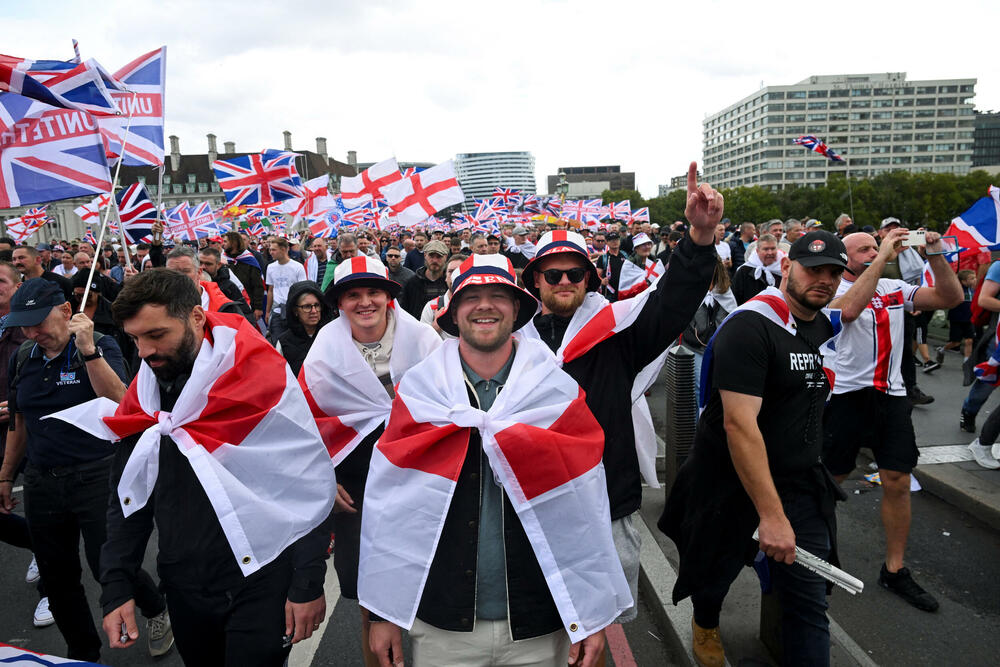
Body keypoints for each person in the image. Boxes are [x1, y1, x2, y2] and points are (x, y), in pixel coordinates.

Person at [45, 268, 336, 666]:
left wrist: (307, 582)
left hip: (262, 577)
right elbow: (128, 497)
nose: (145, 352)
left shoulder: (259, 379)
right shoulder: (145, 395)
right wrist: (117, 587)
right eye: (135, 339)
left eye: (157, 334)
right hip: (184, 580)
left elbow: (306, 484)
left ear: (196, 317)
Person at [362, 254, 631, 667]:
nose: (485, 305)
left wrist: (591, 615)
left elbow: (585, 511)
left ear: (517, 307)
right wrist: (381, 613)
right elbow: (389, 510)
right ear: (453, 310)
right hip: (443, 623)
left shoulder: (554, 394)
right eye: (472, 296)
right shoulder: (419, 394)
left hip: (540, 621)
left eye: (498, 295)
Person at [517, 164, 722, 660]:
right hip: (532, 499)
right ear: (534, 281)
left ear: (590, 278)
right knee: (539, 625)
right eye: (553, 273)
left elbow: (671, 304)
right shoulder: (510, 341)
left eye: (575, 272)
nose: (564, 280)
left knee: (598, 625)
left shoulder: (617, 332)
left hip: (605, 498)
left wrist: (698, 235)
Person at [661, 230, 849, 667]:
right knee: (714, 571)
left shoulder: (821, 323)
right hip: (729, 480)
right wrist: (771, 514)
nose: (823, 280)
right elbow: (739, 425)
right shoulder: (749, 327)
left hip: (800, 482)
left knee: (809, 602)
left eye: (834, 273)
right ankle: (705, 621)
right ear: (786, 267)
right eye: (812, 269)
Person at [0, 279, 171, 662]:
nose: (31, 333)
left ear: (65, 312)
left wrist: (89, 351)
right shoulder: (24, 356)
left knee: (106, 563)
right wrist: (6, 475)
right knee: (57, 576)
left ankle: (155, 607)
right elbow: (20, 422)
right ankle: (82, 653)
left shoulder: (100, 345)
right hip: (43, 480)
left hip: (96, 475)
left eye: (38, 322)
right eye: (24, 325)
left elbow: (124, 400)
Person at [299, 256, 440, 667]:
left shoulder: (425, 342)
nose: (365, 302)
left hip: (424, 483)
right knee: (372, 607)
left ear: (389, 296)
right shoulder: (323, 351)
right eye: (353, 295)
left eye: (374, 291)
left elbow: (451, 410)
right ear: (339, 303)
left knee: (432, 601)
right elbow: (305, 425)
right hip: (357, 492)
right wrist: (325, 478)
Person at [823, 229, 962, 613]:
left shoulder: (894, 286)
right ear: (843, 257)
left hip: (891, 395)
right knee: (829, 482)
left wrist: (935, 254)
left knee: (898, 480)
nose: (872, 252)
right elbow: (848, 311)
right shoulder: (830, 288)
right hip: (846, 397)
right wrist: (882, 254)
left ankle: (895, 568)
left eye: (874, 245)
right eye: (863, 248)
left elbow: (951, 298)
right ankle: (820, 554)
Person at [165, 246, 254, 323]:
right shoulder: (157, 302)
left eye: (185, 271)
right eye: (172, 272)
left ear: (199, 272)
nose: (178, 276)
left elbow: (244, 331)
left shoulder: (225, 304)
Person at [275, 281, 334, 376]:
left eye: (317, 305)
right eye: (307, 306)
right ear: (295, 311)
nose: (314, 311)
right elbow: (279, 377)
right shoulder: (283, 343)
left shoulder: (332, 336)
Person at [265, 237, 307, 342]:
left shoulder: (297, 267)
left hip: (293, 310)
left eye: (274, 250)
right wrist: (267, 311)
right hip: (277, 311)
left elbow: (303, 290)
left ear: (283, 249)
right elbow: (270, 290)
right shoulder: (270, 267)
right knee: (277, 342)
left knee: (295, 341)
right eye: (270, 250)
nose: (271, 252)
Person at [398, 240, 449, 319]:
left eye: (439, 256)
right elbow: (404, 311)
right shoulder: (412, 283)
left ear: (445, 257)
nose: (435, 260)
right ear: (425, 255)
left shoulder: (450, 283)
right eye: (431, 256)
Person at [419, 254, 465, 339]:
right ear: (446, 277)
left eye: (459, 271)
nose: (454, 276)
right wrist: (435, 327)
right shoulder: (432, 307)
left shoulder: (478, 307)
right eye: (451, 271)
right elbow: (421, 343)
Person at [224, 232, 266, 321]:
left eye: (225, 241)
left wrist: (258, 308)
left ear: (233, 243)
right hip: (228, 306)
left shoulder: (250, 260)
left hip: (247, 306)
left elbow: (258, 286)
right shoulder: (223, 260)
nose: (222, 244)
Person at [731, 234, 782, 304]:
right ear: (757, 251)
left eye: (773, 249)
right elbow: (734, 298)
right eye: (766, 249)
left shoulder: (783, 269)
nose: (770, 253)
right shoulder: (745, 271)